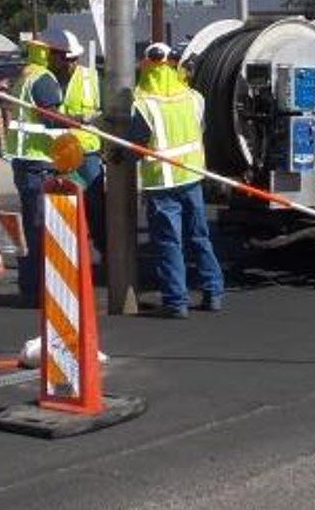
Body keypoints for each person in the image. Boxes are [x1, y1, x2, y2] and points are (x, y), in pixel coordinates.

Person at [129, 42, 225, 318]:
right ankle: (213, 292)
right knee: (199, 236)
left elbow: (136, 146)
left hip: (162, 184)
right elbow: (199, 130)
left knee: (170, 243)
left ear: (147, 66)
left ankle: (176, 302)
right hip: (192, 177)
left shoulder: (144, 105)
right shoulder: (194, 97)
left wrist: (116, 156)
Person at [7, 34, 67, 307]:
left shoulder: (23, 77)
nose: (63, 59)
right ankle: (39, 291)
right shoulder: (43, 79)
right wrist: (78, 123)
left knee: (32, 226)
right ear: (47, 55)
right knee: (40, 228)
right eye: (58, 54)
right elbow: (51, 120)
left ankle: (29, 286)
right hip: (38, 161)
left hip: (24, 161)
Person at [43, 25, 106, 252]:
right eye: (66, 58)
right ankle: (68, 256)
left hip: (87, 154)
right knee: (62, 210)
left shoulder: (91, 77)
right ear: (51, 56)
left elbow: (105, 115)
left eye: (74, 58)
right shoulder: (44, 79)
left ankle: (105, 253)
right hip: (57, 155)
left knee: (95, 210)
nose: (71, 63)